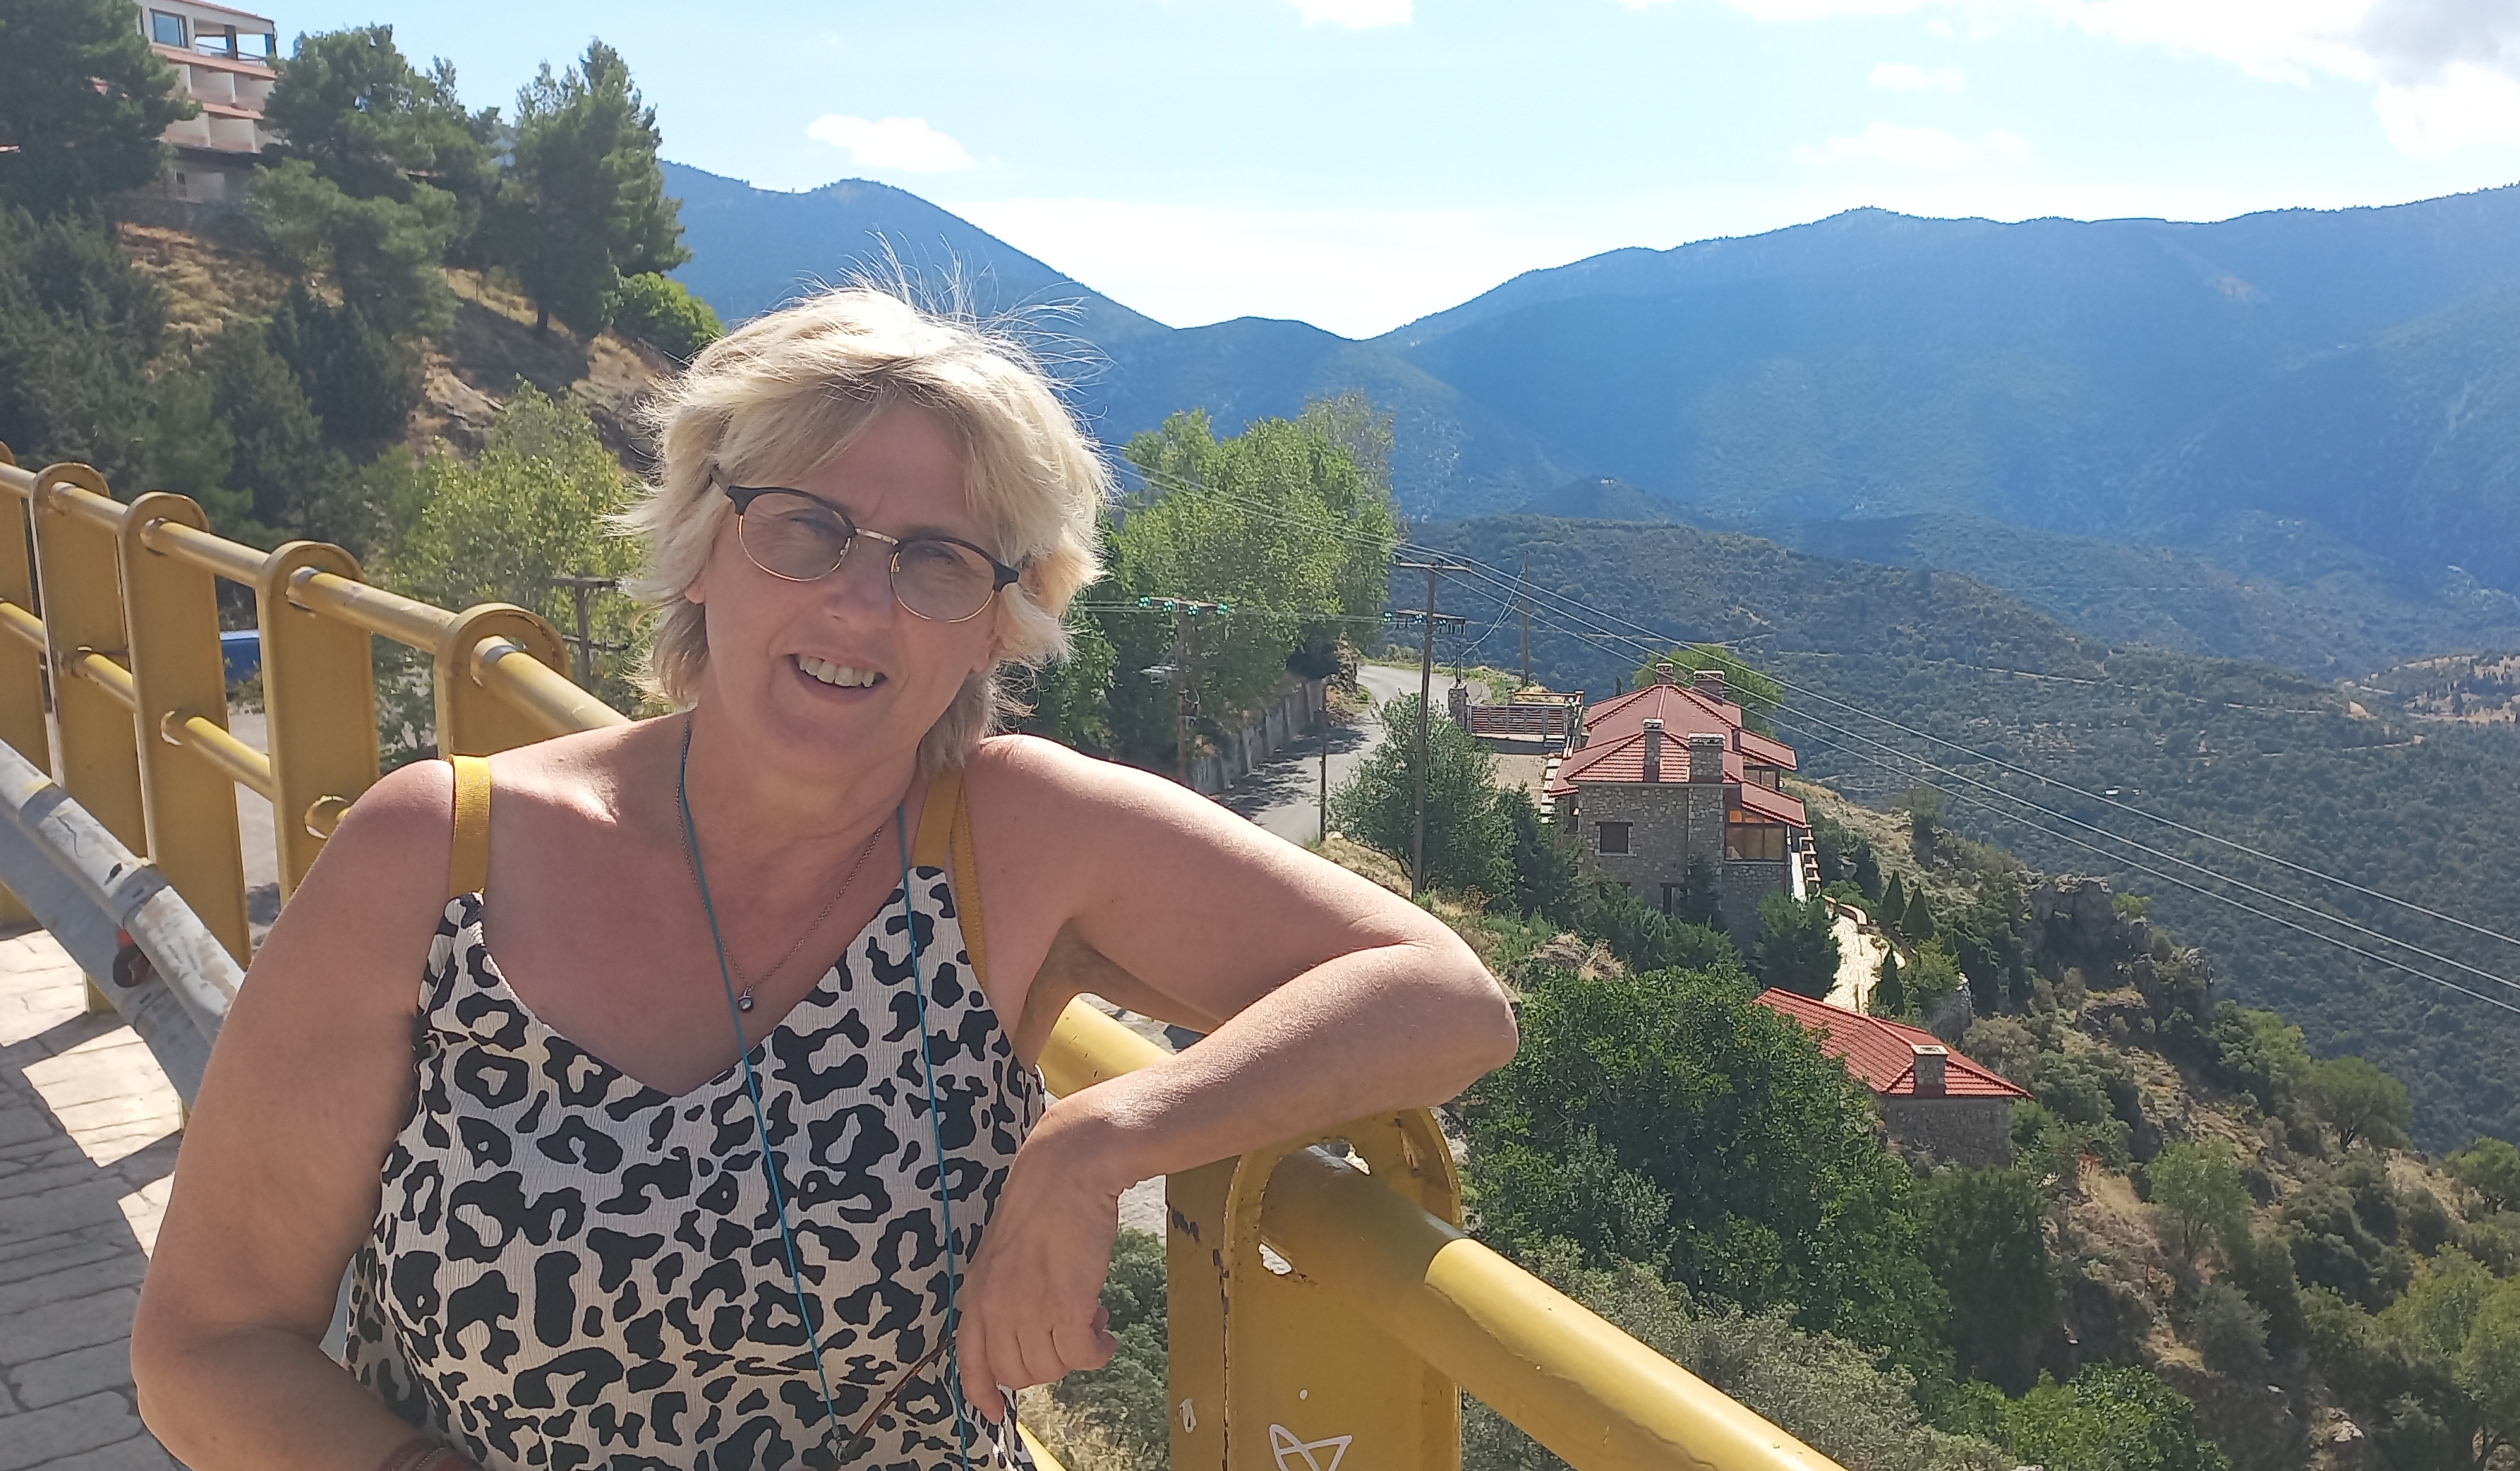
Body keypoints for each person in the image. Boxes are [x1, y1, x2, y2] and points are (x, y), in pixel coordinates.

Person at [132, 289, 1518, 1470]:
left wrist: (1099, 1141)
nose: (859, 603)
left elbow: (1444, 997)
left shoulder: (1012, 840)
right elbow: (207, 1344)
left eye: (937, 560)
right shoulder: (438, 862)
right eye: (804, 526)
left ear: (999, 621)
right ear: (701, 546)